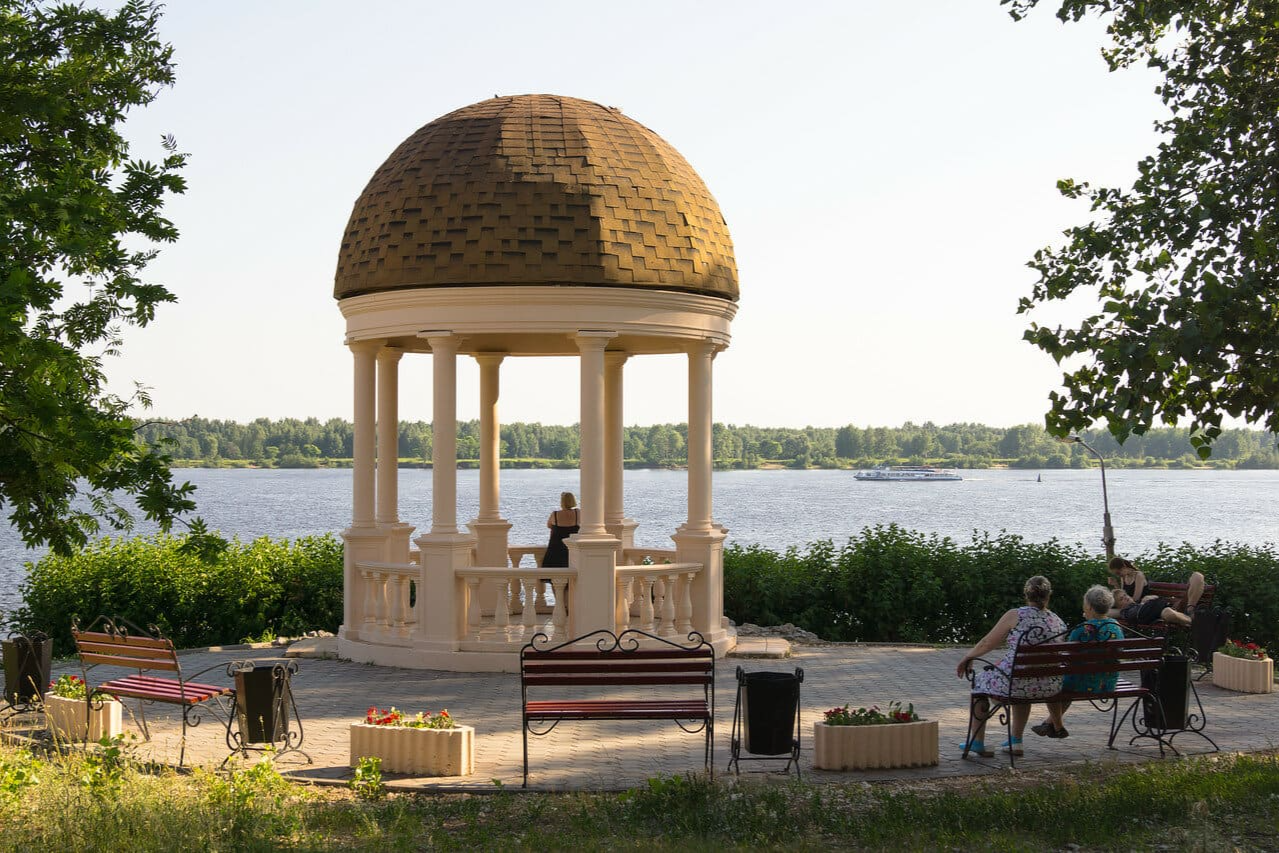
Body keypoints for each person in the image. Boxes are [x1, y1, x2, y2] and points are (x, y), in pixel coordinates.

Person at [956, 575, 1066, 758]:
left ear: (1026, 595)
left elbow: (987, 643)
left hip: (1016, 684)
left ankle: (977, 742)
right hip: (1048, 687)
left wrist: (968, 657)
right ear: (1049, 596)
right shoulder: (1057, 620)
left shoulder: (1015, 615)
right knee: (1023, 680)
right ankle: (1015, 740)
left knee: (979, 682)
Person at [1031, 585, 1124, 738]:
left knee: (1058, 684)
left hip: (1082, 683)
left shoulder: (1082, 629)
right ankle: (1050, 724)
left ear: (1089, 607)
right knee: (1070, 682)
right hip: (1107, 683)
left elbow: (1068, 654)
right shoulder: (1116, 626)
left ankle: (1051, 724)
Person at [541, 492, 580, 569]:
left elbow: (549, 525)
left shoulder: (555, 514)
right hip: (571, 548)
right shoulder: (577, 513)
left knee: (554, 574)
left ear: (562, 502)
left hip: (556, 548)